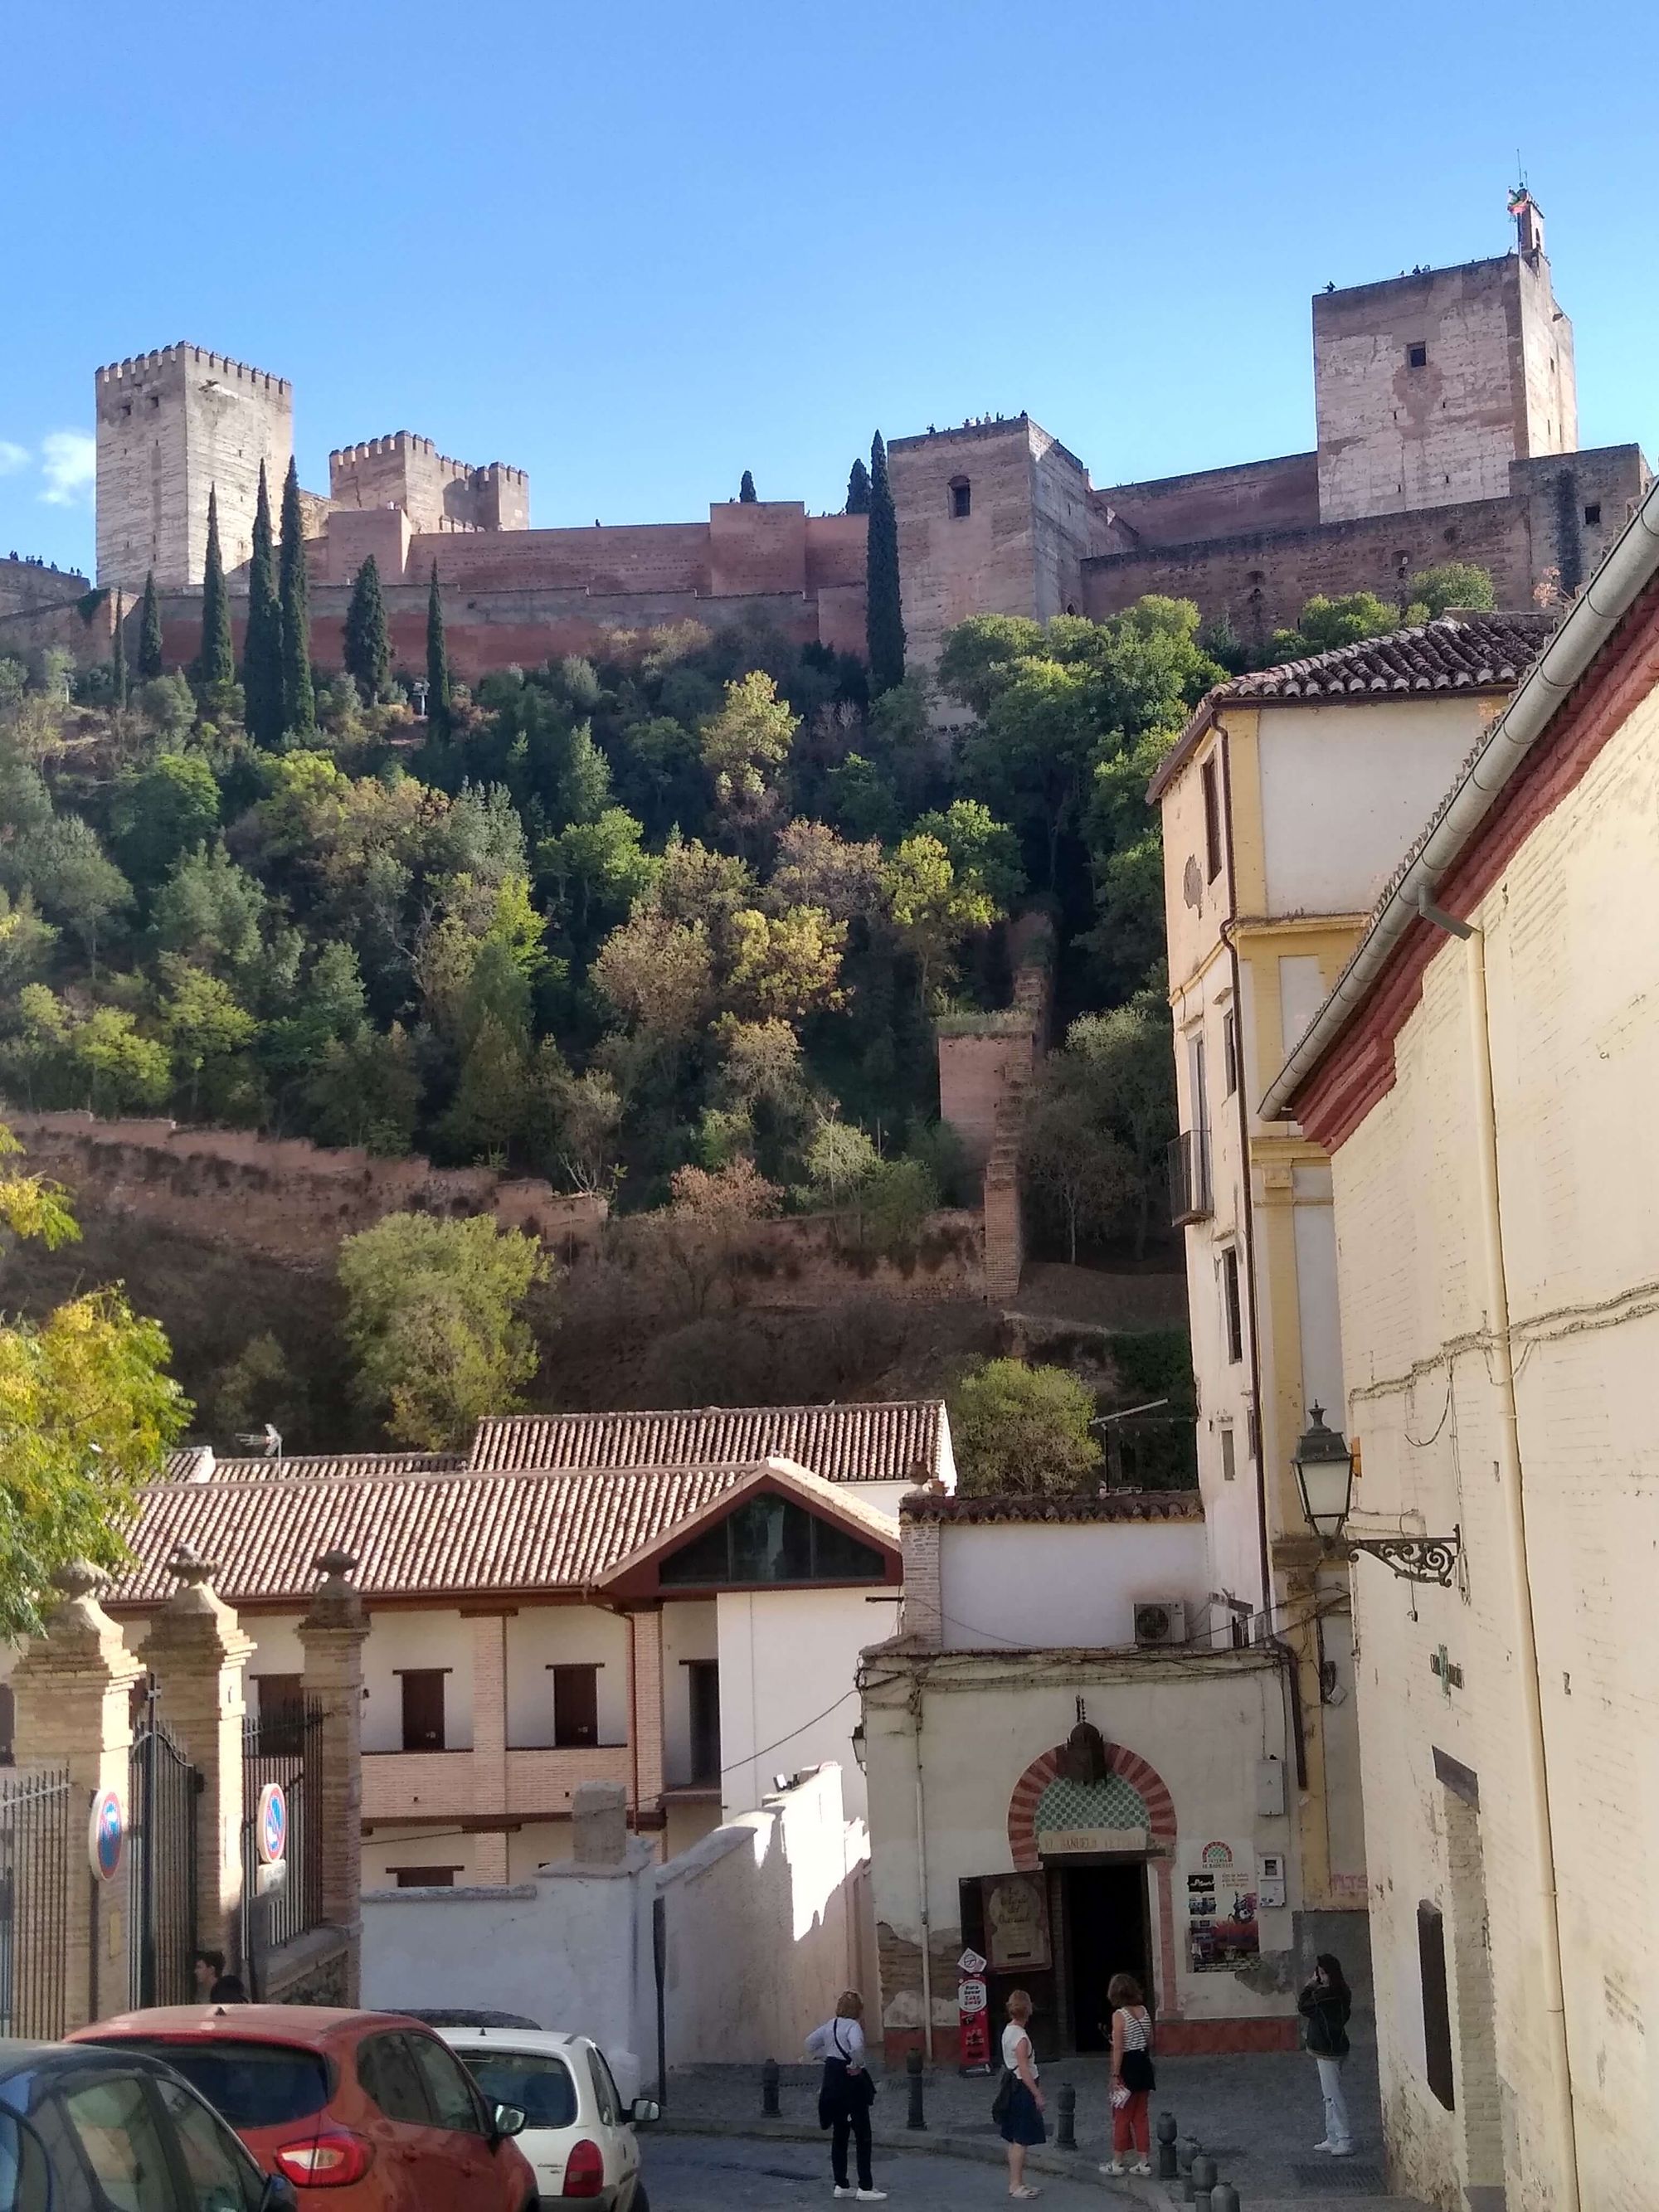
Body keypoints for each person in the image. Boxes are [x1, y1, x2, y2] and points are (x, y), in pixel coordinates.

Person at [805, 1990, 885, 2203]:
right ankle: (865, 2186)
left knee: (839, 2136)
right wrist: (855, 2064)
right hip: (850, 2086)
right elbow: (857, 2046)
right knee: (862, 2136)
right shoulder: (853, 2027)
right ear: (858, 2010)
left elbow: (809, 2043)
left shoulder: (830, 2026)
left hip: (832, 2085)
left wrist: (826, 2057)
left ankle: (841, 2184)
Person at [1100, 1971, 1155, 2177]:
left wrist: (1114, 2075)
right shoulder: (1144, 2011)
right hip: (1144, 2065)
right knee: (1141, 2116)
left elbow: (1119, 2049)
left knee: (1122, 2116)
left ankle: (1117, 2162)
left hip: (1127, 2068)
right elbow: (1150, 2042)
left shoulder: (1119, 2016)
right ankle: (1144, 2161)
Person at [1298, 1953, 1354, 2156]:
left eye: (1322, 1973)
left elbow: (1303, 2006)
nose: (1320, 1977)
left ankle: (1344, 2139)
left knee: (1333, 2095)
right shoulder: (1341, 1992)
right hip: (1334, 2046)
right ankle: (1332, 2136)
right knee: (1329, 2096)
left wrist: (1310, 1985)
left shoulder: (1327, 1995)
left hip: (1327, 2049)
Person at [999, 1989, 1045, 2200]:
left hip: (1012, 2085)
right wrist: (1037, 2094)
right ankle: (1015, 2184)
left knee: (1015, 2137)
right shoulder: (1022, 2038)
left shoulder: (1008, 2031)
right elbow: (1025, 2069)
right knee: (1021, 2138)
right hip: (1022, 2087)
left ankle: (1016, 2181)